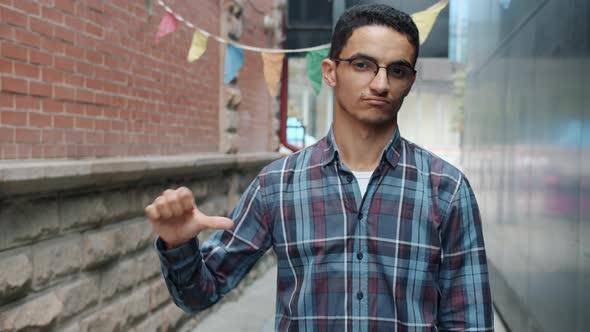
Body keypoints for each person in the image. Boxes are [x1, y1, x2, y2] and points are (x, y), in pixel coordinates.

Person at [145, 4, 493, 331]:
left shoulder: (447, 189)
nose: (381, 83)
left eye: (397, 70)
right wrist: (178, 244)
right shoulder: (277, 184)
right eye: (362, 64)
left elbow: (470, 320)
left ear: (410, 82)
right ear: (330, 72)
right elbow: (199, 294)